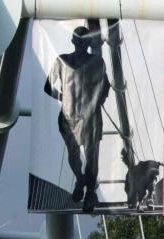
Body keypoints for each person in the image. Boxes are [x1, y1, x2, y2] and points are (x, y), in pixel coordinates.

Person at [43, 25, 110, 213]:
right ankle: (82, 182)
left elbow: (105, 86)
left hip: (85, 117)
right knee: (80, 156)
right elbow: (48, 86)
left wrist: (66, 97)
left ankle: (88, 191)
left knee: (89, 156)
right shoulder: (64, 61)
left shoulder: (95, 62)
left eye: (84, 41)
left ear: (87, 42)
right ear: (75, 42)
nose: (81, 44)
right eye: (80, 40)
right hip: (74, 116)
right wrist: (64, 98)